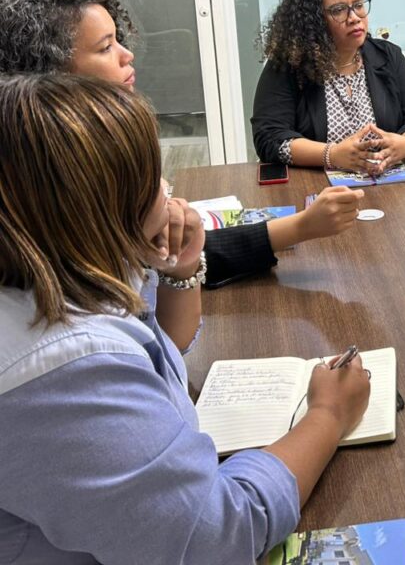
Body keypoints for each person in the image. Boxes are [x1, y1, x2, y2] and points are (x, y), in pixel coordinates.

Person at [0, 74, 371, 563]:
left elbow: (162, 350)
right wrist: (327, 415)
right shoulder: (62, 368)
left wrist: (179, 270)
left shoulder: (51, 276)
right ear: (95, 211)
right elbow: (216, 536)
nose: (168, 192)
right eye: (152, 181)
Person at [0, 0, 362, 288]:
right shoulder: (64, 183)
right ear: (48, 74)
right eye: (106, 47)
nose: (127, 55)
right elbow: (163, 266)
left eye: (359, 6)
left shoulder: (383, 57)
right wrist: (302, 222)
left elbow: (170, 270)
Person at [251, 0, 405, 173]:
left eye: (358, 5)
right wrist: (332, 155)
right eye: (339, 10)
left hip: (385, 187)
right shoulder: (289, 64)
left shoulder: (388, 56)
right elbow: (269, 138)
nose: (354, 17)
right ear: (315, 20)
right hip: (316, 188)